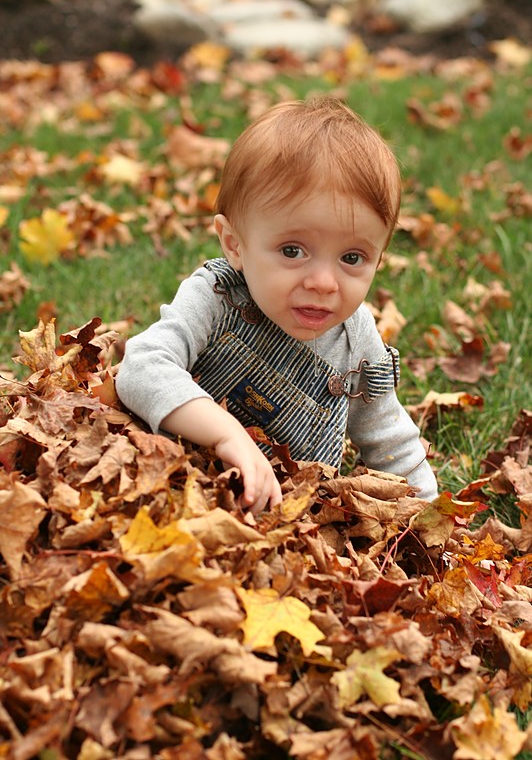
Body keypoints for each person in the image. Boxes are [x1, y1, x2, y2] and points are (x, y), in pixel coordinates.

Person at [116, 96, 438, 514]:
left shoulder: (357, 343)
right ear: (235, 244)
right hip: (174, 490)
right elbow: (141, 367)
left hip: (286, 528)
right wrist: (225, 434)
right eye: (292, 250)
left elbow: (392, 443)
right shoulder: (217, 297)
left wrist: (432, 525)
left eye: (352, 258)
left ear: (379, 259)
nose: (323, 283)